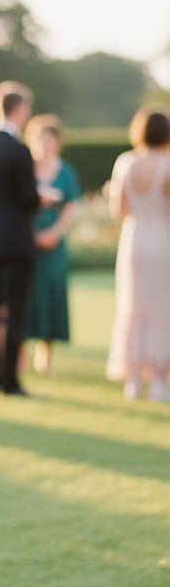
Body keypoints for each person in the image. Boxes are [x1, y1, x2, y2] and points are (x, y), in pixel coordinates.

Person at [0, 82, 41, 395]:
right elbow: (28, 199)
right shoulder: (19, 150)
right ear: (20, 110)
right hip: (17, 240)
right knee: (14, 309)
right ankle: (9, 380)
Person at [106, 107, 170, 401]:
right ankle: (158, 380)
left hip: (134, 242)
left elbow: (118, 210)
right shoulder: (168, 165)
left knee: (133, 309)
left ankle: (133, 380)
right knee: (162, 310)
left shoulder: (125, 162)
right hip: (162, 241)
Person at [24, 114, 82, 373]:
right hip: (27, 241)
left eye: (50, 139)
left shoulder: (66, 171)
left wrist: (54, 233)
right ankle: (21, 351)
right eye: (41, 139)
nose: (46, 144)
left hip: (54, 245)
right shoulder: (25, 169)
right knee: (27, 295)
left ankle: (46, 352)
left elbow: (71, 208)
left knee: (51, 294)